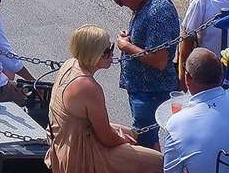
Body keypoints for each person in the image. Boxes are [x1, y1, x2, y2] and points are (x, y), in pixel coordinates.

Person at [45, 24, 162, 173]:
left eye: (111, 48)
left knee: (132, 133)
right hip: (81, 152)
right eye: (106, 51)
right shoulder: (87, 86)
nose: (111, 54)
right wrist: (123, 141)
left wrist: (124, 137)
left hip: (70, 136)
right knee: (158, 161)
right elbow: (107, 138)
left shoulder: (70, 64)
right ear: (92, 54)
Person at [105, 0, 180, 150]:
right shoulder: (146, 4)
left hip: (151, 90)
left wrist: (126, 46)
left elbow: (160, 61)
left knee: (144, 142)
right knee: (149, 142)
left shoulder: (157, 12)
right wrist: (130, 37)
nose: (122, 6)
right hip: (142, 88)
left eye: (120, 1)